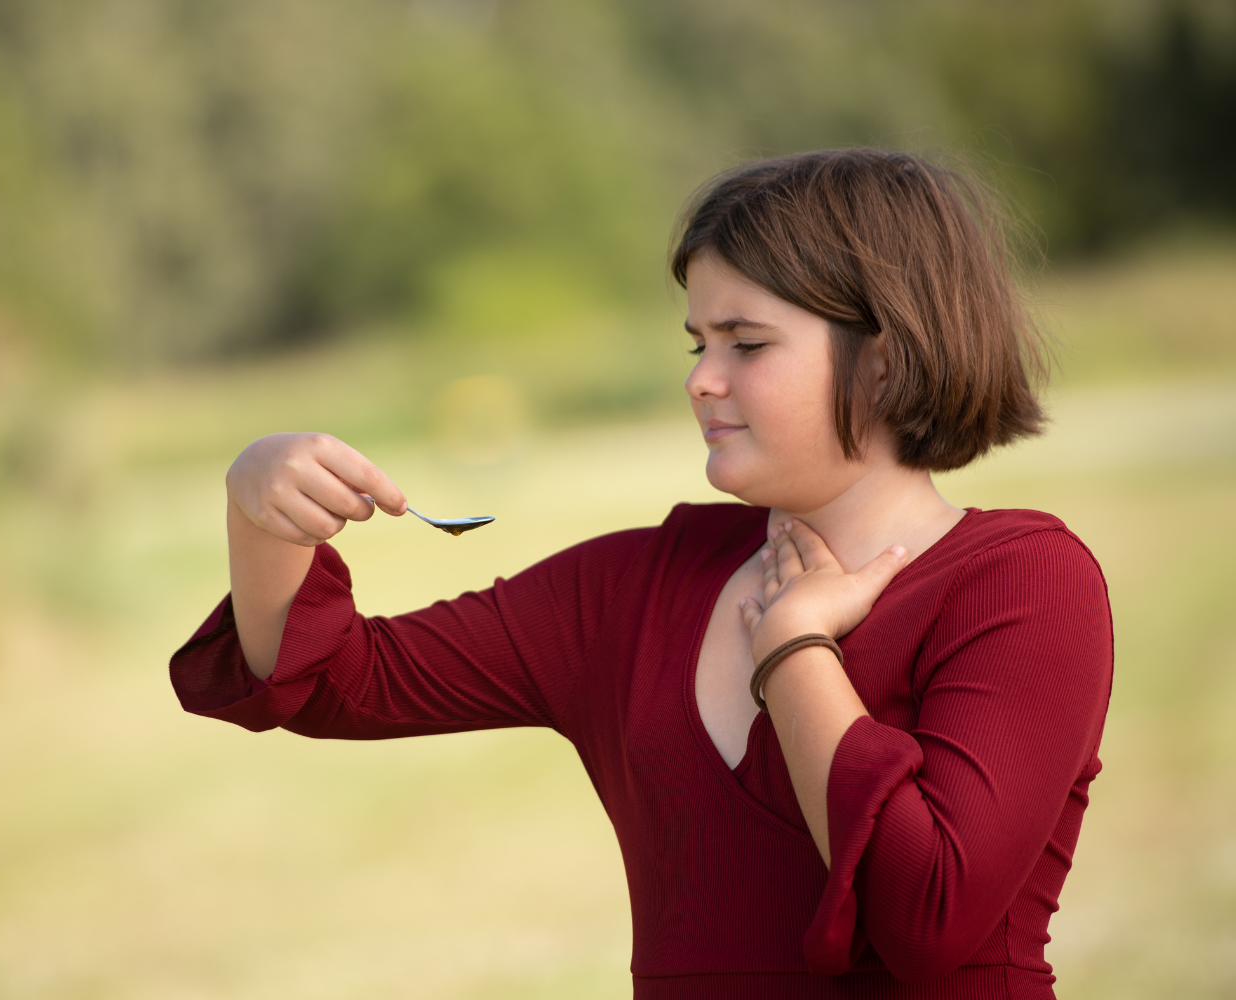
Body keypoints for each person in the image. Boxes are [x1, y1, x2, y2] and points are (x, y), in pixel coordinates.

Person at [169, 148, 1114, 999]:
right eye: (697, 344)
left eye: (746, 343)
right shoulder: (638, 587)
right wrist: (258, 513)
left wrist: (792, 645)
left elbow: (926, 920)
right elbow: (340, 684)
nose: (702, 378)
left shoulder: (1025, 583)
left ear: (887, 357)